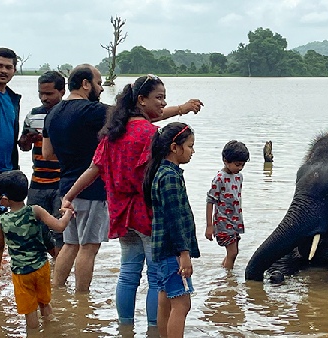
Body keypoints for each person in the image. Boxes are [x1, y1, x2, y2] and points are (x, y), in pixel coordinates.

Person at [61, 75, 202, 326]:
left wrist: (69, 196)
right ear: (141, 99)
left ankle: (125, 327)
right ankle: (152, 328)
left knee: (127, 274)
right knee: (157, 277)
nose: (162, 103)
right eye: (158, 97)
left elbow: (93, 170)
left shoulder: (112, 134)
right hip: (148, 215)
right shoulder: (151, 135)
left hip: (120, 212)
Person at [41, 64, 109, 292]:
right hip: (92, 188)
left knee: (70, 244)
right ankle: (82, 298)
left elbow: (47, 153)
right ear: (85, 84)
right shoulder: (93, 111)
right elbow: (134, 117)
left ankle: (57, 291)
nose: (100, 89)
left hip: (66, 188)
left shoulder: (53, 114)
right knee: (89, 247)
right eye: (98, 83)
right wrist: (180, 109)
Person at [0, 170, 73, 329]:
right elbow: (59, 227)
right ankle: (51, 330)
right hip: (41, 268)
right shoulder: (35, 210)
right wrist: (68, 213)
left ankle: (35, 334)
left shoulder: (1, 221)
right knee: (45, 303)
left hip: (21, 274)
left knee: (30, 311)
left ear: (4, 200)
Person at [143, 122, 200, 338]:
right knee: (182, 304)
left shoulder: (161, 172)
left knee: (165, 299)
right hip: (172, 252)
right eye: (190, 146)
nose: (193, 151)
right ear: (175, 147)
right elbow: (175, 219)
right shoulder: (170, 177)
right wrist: (184, 254)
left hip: (161, 250)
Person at [18, 71, 66, 258]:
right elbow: (23, 146)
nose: (44, 98)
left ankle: (60, 273)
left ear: (62, 91)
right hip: (38, 181)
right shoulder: (34, 115)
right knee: (33, 228)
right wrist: (26, 140)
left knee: (61, 231)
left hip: (62, 182)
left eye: (49, 94)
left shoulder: (68, 114)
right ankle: (43, 268)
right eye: (41, 94)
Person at [0, 47, 21, 269]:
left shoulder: (12, 98)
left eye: (8, 67)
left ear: (14, 70)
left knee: (3, 222)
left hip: (7, 171)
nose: (3, 70)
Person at [205, 140, 249, 270]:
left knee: (234, 251)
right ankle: (229, 280)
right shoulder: (219, 178)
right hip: (223, 222)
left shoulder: (239, 176)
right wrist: (209, 226)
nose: (240, 168)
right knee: (233, 252)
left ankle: (225, 272)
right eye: (237, 164)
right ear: (225, 160)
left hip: (235, 220)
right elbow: (210, 201)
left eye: (243, 165)